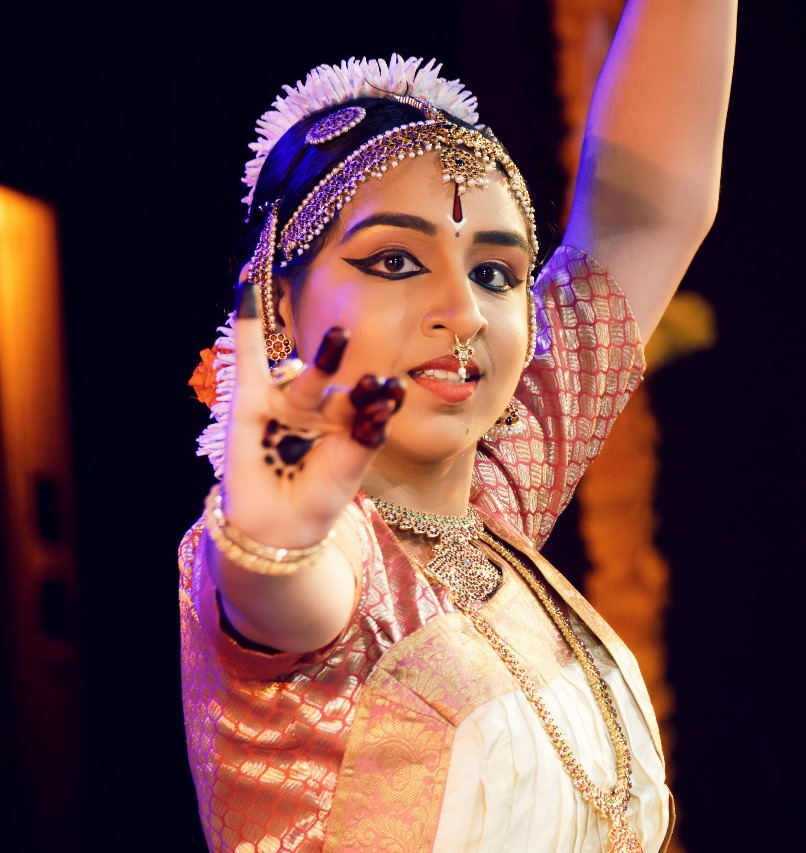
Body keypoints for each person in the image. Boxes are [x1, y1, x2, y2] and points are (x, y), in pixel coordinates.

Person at [177, 2, 737, 851]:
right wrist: (270, 539)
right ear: (279, 303)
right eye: (395, 261)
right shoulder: (324, 557)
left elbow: (644, 212)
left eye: (496, 271)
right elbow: (287, 592)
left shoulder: (497, 498)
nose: (463, 311)